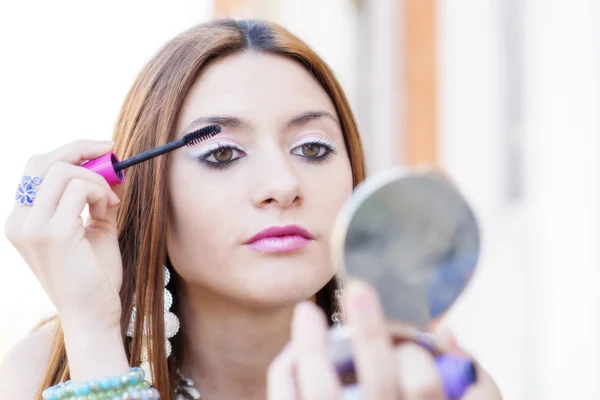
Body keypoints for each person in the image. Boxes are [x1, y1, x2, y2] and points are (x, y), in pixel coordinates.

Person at [0, 18, 502, 399]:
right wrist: (93, 334)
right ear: (146, 194)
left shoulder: (432, 382)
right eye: (222, 154)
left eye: (312, 148)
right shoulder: (43, 375)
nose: (283, 185)